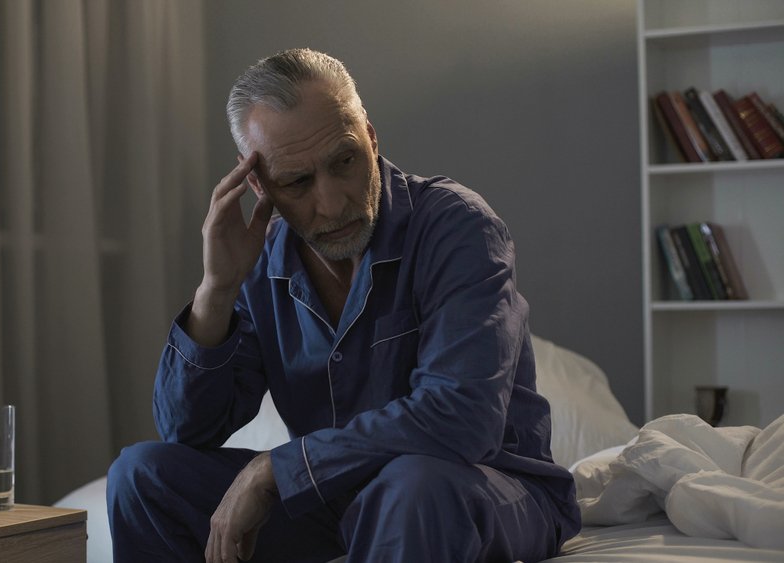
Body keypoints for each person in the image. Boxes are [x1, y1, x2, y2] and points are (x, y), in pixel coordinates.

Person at [107, 48, 580, 562]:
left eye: (344, 161)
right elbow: (187, 430)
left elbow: (462, 420)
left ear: (370, 138)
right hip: (334, 500)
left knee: (413, 486)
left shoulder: (457, 226)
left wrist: (279, 468)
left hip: (478, 487)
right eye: (297, 182)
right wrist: (216, 290)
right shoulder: (260, 259)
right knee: (142, 477)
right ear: (260, 187)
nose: (332, 204)